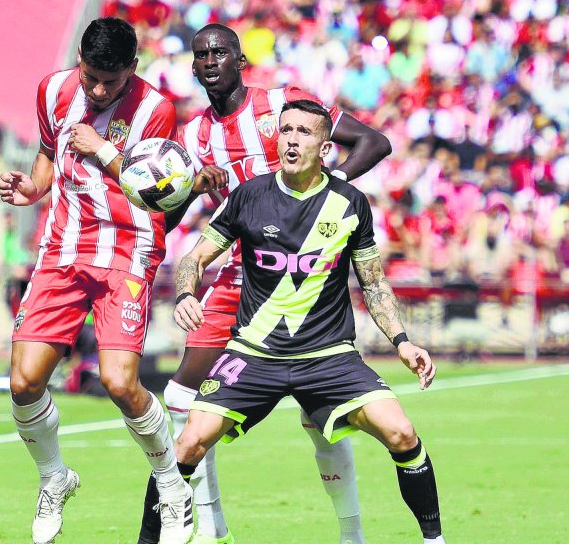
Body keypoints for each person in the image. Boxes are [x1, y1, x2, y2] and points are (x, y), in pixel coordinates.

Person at [137, 24, 392, 544]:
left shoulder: (284, 103)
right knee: (183, 397)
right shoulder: (191, 138)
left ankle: (351, 533)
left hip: (299, 280)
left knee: (319, 415)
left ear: (240, 59)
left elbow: (373, 141)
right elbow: (172, 211)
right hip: (234, 276)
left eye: (220, 52)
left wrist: (329, 195)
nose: (210, 61)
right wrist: (191, 189)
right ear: (193, 66)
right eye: (201, 54)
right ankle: (208, 528)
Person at [172, 99, 445, 544]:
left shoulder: (349, 202)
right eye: (285, 130)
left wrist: (402, 342)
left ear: (325, 145)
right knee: (186, 443)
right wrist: (185, 292)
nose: (291, 140)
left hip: (328, 355)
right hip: (255, 353)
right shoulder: (249, 195)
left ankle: (434, 540)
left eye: (303, 132)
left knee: (402, 432)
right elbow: (194, 258)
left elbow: (373, 284)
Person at [0, 17, 194, 544]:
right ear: (79, 62)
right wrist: (31, 188)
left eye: (112, 79)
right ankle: (53, 478)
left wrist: (103, 150)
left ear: (133, 67)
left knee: (120, 382)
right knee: (23, 381)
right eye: (91, 77)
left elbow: (159, 189)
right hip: (63, 246)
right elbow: (46, 153)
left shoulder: (156, 109)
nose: (100, 89)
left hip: (128, 249)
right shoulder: (53, 89)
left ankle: (172, 487)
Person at [1, 211, 33, 316]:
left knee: (21, 299)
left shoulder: (18, 233)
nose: (7, 222)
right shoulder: (6, 235)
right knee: (9, 299)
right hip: (10, 271)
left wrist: (21, 266)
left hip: (21, 269)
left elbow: (24, 250)